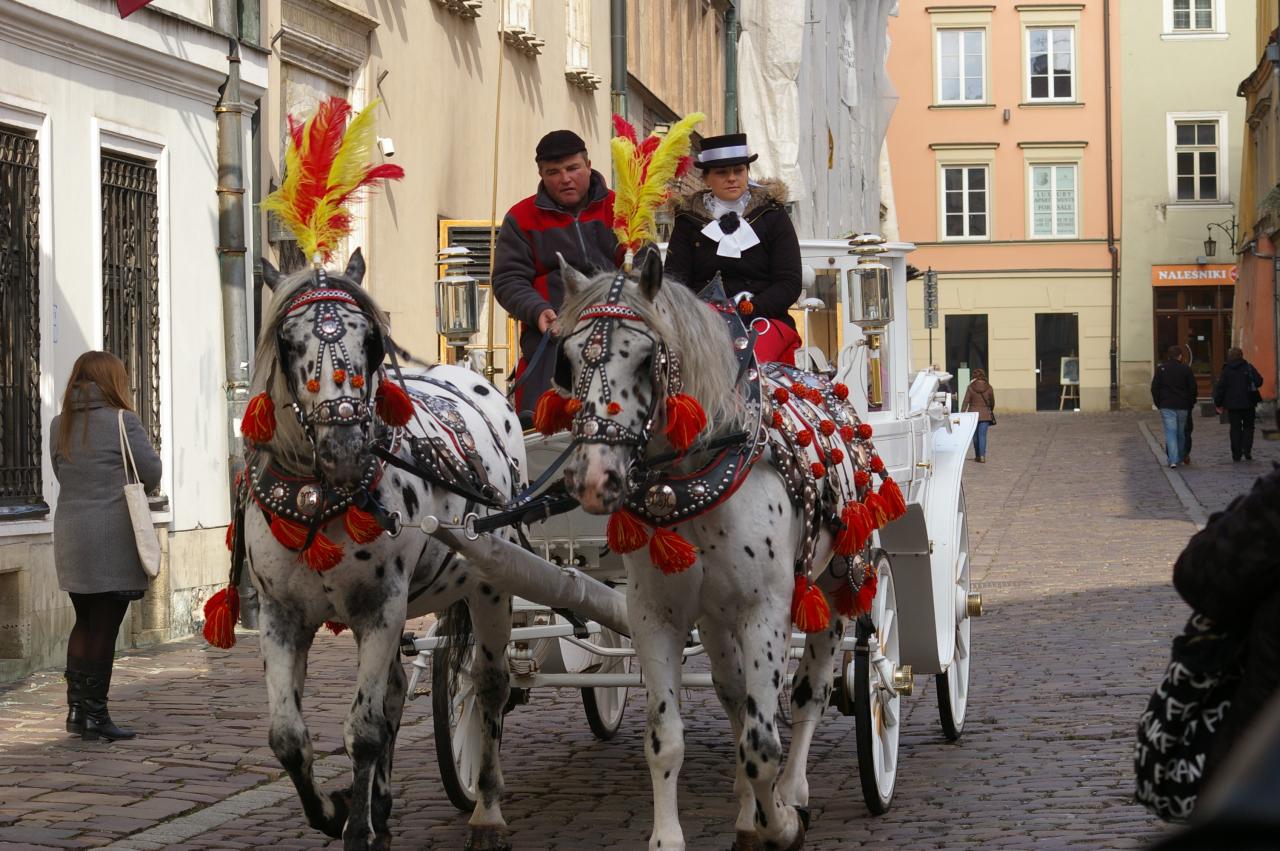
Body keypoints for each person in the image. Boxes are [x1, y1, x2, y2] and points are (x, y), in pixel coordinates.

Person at [52, 351, 162, 742]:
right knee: (105, 627)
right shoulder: (122, 421)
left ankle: (77, 713)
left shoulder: (58, 425)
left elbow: (60, 472)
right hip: (112, 537)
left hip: (71, 535)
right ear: (113, 380)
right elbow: (151, 473)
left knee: (83, 622)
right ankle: (96, 716)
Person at [492, 129, 618, 417]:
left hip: (618, 333)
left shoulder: (621, 208)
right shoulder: (521, 218)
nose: (565, 178)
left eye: (573, 168)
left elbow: (640, 267)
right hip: (552, 338)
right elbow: (508, 279)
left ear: (588, 165)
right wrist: (537, 310)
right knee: (540, 427)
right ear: (541, 174)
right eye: (553, 172)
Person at [664, 133, 803, 364]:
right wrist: (704, 316)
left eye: (738, 171)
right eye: (721, 172)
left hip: (764, 320)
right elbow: (675, 284)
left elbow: (789, 282)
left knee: (747, 365)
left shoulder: (773, 215)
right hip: (704, 325)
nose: (732, 178)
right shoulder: (688, 221)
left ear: (747, 173)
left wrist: (751, 308)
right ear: (706, 178)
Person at [1213, 347, 1265, 462]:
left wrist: (1218, 403)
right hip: (1249, 403)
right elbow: (1259, 381)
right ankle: (1247, 450)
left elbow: (1221, 388)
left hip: (1233, 405)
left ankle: (1236, 454)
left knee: (1235, 428)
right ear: (1241, 355)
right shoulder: (1248, 367)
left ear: (1229, 357)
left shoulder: (1226, 370)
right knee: (1248, 427)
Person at [1151, 346, 1198, 469]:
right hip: (1182, 405)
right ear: (1180, 356)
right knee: (1181, 432)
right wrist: (1191, 403)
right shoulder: (1185, 369)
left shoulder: (1161, 369)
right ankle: (1181, 457)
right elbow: (1193, 388)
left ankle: (1172, 459)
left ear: (1168, 356)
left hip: (1167, 405)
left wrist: (1158, 403)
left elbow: (1155, 388)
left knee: (1170, 432)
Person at [961, 369, 995, 462]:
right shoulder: (989, 387)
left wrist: (962, 413)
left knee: (975, 436)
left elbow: (966, 401)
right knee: (982, 436)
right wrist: (990, 410)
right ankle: (982, 456)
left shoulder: (970, 387)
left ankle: (977, 455)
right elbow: (992, 401)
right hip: (985, 414)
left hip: (973, 414)